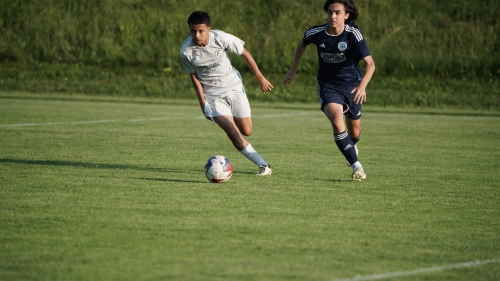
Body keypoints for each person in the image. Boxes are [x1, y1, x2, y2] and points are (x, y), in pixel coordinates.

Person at [283, 0, 375, 181]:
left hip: (353, 86)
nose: (333, 16)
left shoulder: (353, 34)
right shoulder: (316, 32)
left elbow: (370, 64)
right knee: (336, 119)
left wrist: (362, 85)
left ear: (346, 15)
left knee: (354, 132)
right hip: (328, 85)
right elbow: (302, 43)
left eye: (338, 13)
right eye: (330, 12)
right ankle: (357, 166)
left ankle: (352, 144)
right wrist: (293, 69)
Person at [180, 11, 274, 176]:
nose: (197, 35)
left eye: (201, 31)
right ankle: (264, 165)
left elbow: (244, 53)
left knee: (247, 130)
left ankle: (235, 126)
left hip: (234, 87)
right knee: (232, 131)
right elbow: (194, 76)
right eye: (193, 31)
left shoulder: (220, 38)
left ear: (209, 29)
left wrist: (260, 78)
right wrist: (203, 102)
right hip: (213, 96)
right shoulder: (186, 52)